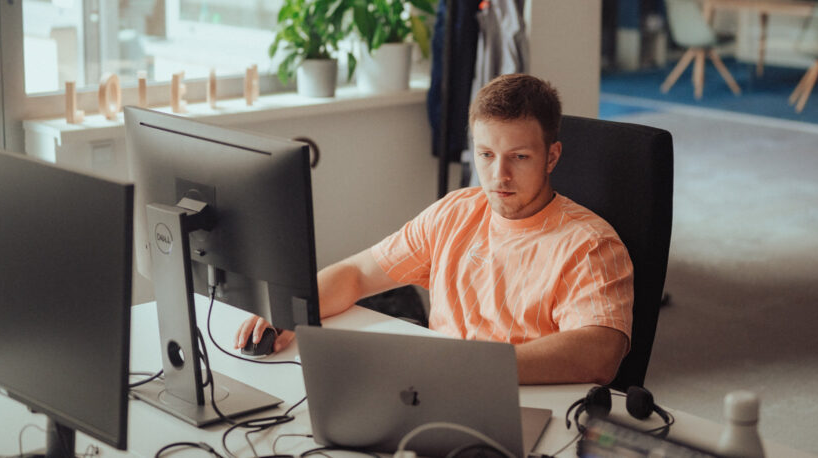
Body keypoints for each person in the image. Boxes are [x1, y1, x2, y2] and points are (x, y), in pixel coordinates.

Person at [235, 73, 634, 385]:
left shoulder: (590, 245)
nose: (499, 175)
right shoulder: (455, 213)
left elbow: (600, 354)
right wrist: (288, 309)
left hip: (523, 400)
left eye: (520, 157)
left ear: (552, 156)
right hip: (433, 388)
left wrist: (469, 369)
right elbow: (356, 275)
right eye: (486, 155)